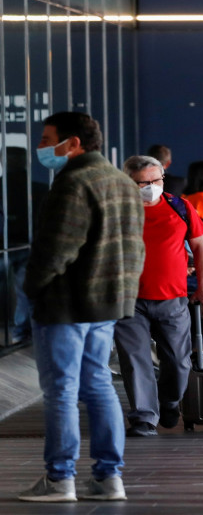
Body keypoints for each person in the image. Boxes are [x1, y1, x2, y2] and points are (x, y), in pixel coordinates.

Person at [19, 112, 144, 502]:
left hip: (66, 305)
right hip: (107, 304)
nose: (42, 147)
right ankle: (109, 479)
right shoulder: (122, 182)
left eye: (47, 139)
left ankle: (60, 479)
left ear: (73, 144)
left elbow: (56, 250)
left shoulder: (73, 182)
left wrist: (31, 288)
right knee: (99, 385)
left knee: (60, 390)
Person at [115, 155, 203, 438]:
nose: (150, 187)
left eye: (155, 181)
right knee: (136, 361)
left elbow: (200, 248)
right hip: (128, 300)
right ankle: (144, 419)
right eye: (142, 183)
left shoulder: (180, 207)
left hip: (173, 299)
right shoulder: (116, 210)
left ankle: (170, 400)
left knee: (178, 362)